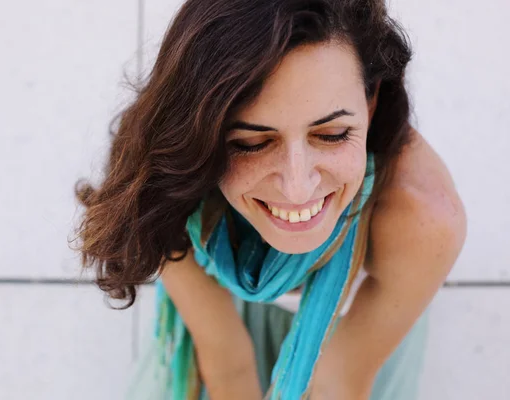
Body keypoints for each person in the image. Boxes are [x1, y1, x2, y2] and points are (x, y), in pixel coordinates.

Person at [73, 0, 467, 398]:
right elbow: (227, 362)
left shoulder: (423, 218)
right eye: (252, 143)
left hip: (357, 343)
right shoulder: (165, 177)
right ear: (202, 133)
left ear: (371, 101)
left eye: (331, 135)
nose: (298, 188)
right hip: (227, 327)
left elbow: (340, 383)